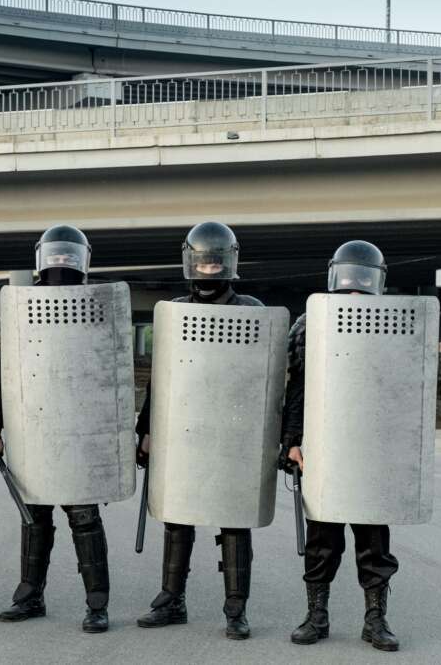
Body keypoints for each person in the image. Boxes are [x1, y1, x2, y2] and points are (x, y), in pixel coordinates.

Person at [134, 222, 263, 640]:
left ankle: (236, 609)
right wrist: (145, 429)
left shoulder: (250, 310)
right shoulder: (173, 311)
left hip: (233, 431)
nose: (208, 269)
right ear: (191, 262)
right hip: (184, 429)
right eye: (202, 261)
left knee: (233, 520)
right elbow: (161, 378)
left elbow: (264, 378)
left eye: (215, 262)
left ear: (229, 263)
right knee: (178, 515)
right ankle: (173, 599)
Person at [0, 225, 113, 634]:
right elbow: (4, 376)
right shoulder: (24, 308)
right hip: (35, 427)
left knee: (84, 517)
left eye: (66, 258)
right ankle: (30, 595)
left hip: (79, 431)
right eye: (55, 258)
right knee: (35, 516)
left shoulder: (98, 307)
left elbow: (110, 375)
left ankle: (97, 604)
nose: (61, 265)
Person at [280, 239, 400, 652]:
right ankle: (316, 617)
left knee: (374, 543)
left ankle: (376, 621)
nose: (354, 290)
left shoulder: (392, 323)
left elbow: (403, 393)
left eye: (362, 282)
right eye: (348, 281)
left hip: (371, 450)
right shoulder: (310, 323)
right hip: (324, 447)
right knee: (322, 541)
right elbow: (298, 390)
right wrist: (292, 442)